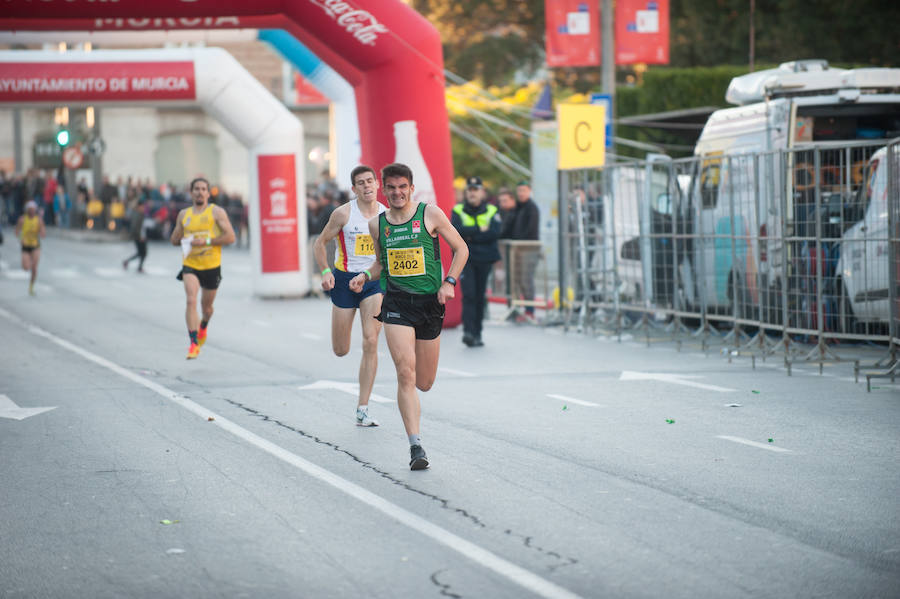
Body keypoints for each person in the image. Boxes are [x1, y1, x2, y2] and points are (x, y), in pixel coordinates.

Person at [349, 163, 468, 470]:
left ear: (411, 188)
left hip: (429, 303)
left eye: (403, 187)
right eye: (391, 187)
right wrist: (365, 275)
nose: (397, 192)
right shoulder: (378, 225)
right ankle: (416, 446)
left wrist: (449, 282)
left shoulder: (430, 214)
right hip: (397, 303)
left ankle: (416, 430)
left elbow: (461, 249)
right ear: (383, 190)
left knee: (425, 382)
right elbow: (380, 263)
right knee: (405, 373)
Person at [314, 165, 386, 427]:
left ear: (377, 184)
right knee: (341, 349)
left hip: (373, 281)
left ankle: (363, 408)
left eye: (370, 181)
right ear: (354, 189)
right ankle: (362, 405)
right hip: (344, 280)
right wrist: (325, 271)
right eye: (361, 183)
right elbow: (320, 243)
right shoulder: (343, 214)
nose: (367, 186)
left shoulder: (386, 216)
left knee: (370, 340)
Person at [169, 178, 236, 359]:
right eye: (196, 189)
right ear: (191, 193)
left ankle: (203, 326)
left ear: (208, 193)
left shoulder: (216, 212)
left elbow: (230, 237)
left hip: (211, 266)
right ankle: (193, 343)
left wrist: (206, 241)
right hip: (190, 264)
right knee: (191, 300)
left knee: (206, 308)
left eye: (203, 189)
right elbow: (174, 239)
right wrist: (183, 238)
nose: (199, 192)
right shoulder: (184, 215)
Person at [451, 176, 501, 347]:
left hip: (485, 258)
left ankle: (477, 333)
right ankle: (468, 332)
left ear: (482, 192)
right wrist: (479, 230)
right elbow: (456, 232)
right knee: (469, 295)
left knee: (480, 296)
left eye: (476, 190)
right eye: (470, 190)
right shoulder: (458, 210)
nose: (472, 193)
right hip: (465, 259)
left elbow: (494, 233)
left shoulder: (492, 210)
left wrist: (470, 235)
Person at [507, 181, 541, 321]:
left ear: (529, 191)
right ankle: (516, 309)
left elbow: (530, 231)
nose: (521, 193)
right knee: (516, 280)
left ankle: (529, 311)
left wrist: (517, 242)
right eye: (519, 190)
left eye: (524, 190)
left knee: (526, 280)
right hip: (516, 249)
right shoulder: (516, 208)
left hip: (528, 249)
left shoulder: (532, 208)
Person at [15, 200, 45, 295]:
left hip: (35, 245)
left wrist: (41, 232)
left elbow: (43, 233)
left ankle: (31, 287)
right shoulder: (22, 219)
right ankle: (28, 263)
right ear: (27, 210)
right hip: (26, 246)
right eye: (30, 209)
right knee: (26, 267)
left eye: (33, 209)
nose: (32, 211)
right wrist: (21, 238)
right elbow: (16, 232)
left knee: (34, 268)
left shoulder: (39, 220)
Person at [123, 199, 149, 273]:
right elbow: (135, 226)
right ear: (139, 206)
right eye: (143, 206)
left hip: (140, 236)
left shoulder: (140, 214)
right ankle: (139, 267)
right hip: (138, 236)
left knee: (141, 253)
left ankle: (128, 262)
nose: (144, 208)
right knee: (142, 253)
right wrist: (140, 236)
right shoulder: (137, 214)